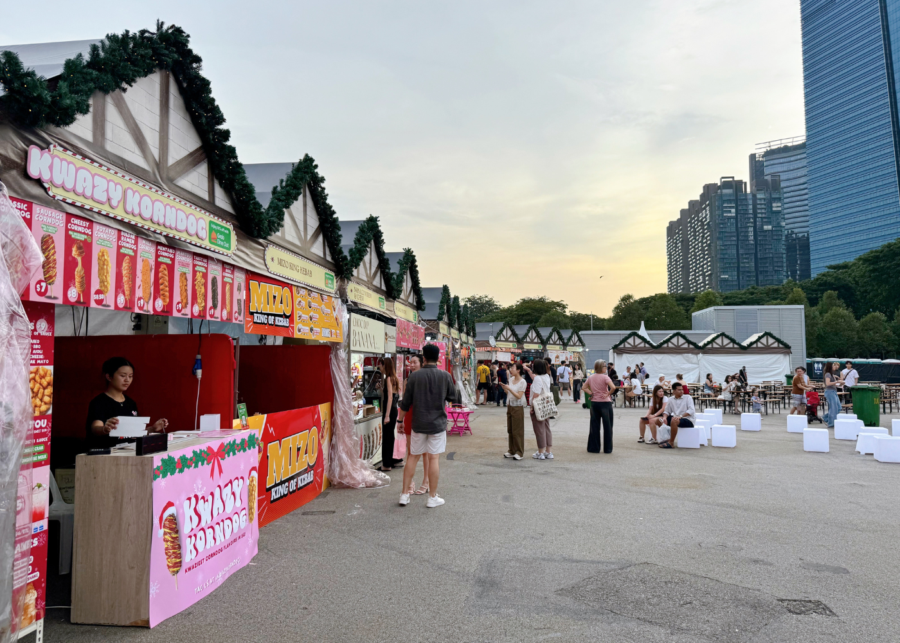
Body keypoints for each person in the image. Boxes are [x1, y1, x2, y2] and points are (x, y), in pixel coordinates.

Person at [399, 343, 457, 508]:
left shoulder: (414, 377)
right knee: (434, 458)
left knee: (412, 457)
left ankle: (404, 494)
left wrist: (399, 421)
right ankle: (432, 497)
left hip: (418, 423)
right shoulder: (445, 376)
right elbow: (452, 397)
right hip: (437, 424)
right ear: (438, 358)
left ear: (423, 358)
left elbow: (405, 402)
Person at [86, 357, 168, 449]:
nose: (127, 380)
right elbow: (95, 428)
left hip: (129, 452)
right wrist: (105, 429)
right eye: (123, 375)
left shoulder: (130, 403)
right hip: (107, 454)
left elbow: (134, 433)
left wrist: (152, 428)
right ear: (109, 376)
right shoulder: (99, 402)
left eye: (130, 376)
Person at [402, 354, 430, 495]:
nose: (411, 365)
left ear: (421, 363)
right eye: (410, 363)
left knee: (425, 452)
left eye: (414, 362)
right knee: (411, 451)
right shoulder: (407, 380)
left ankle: (426, 481)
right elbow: (405, 401)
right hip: (410, 415)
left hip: (422, 416)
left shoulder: (425, 378)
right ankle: (410, 483)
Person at [582, 359, 616, 453]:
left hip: (594, 403)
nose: (606, 368)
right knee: (608, 426)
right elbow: (613, 387)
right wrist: (608, 393)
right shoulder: (605, 377)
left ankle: (594, 448)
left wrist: (591, 393)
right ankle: (607, 449)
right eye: (605, 366)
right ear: (601, 367)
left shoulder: (591, 377)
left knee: (594, 426)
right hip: (605, 403)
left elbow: (584, 387)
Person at [378, 357, 402, 472]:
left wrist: (386, 415)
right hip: (393, 411)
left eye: (380, 365)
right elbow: (390, 395)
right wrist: (381, 390)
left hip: (390, 411)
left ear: (385, 365)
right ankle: (388, 462)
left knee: (387, 437)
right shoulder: (394, 378)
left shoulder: (388, 378)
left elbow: (390, 398)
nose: (379, 368)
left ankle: (386, 464)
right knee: (390, 436)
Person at [528, 359, 554, 460]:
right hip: (547, 405)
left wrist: (531, 406)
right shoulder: (547, 376)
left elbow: (536, 393)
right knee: (547, 428)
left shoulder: (537, 379)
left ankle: (540, 452)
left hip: (538, 405)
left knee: (539, 429)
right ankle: (548, 451)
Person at [501, 362, 527, 459]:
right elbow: (509, 393)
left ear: (518, 370)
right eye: (511, 368)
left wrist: (509, 389)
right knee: (510, 429)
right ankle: (511, 450)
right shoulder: (511, 379)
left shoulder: (522, 382)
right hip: (510, 405)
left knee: (518, 431)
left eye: (513, 368)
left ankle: (519, 452)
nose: (511, 370)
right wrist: (505, 389)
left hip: (518, 407)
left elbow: (519, 396)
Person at [658, 382, 695, 449]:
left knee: (674, 420)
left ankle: (671, 443)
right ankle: (666, 439)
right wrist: (665, 417)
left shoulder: (688, 397)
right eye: (679, 390)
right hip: (677, 418)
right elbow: (667, 411)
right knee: (659, 420)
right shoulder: (671, 399)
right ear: (674, 391)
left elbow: (691, 410)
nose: (682, 391)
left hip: (688, 419)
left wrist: (681, 416)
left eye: (682, 389)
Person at [823, 362, 844, 427]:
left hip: (833, 391)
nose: (835, 367)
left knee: (838, 407)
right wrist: (837, 382)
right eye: (833, 366)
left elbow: (834, 384)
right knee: (833, 408)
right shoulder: (828, 374)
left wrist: (840, 383)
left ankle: (825, 417)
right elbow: (828, 383)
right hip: (830, 391)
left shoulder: (832, 374)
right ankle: (831, 423)